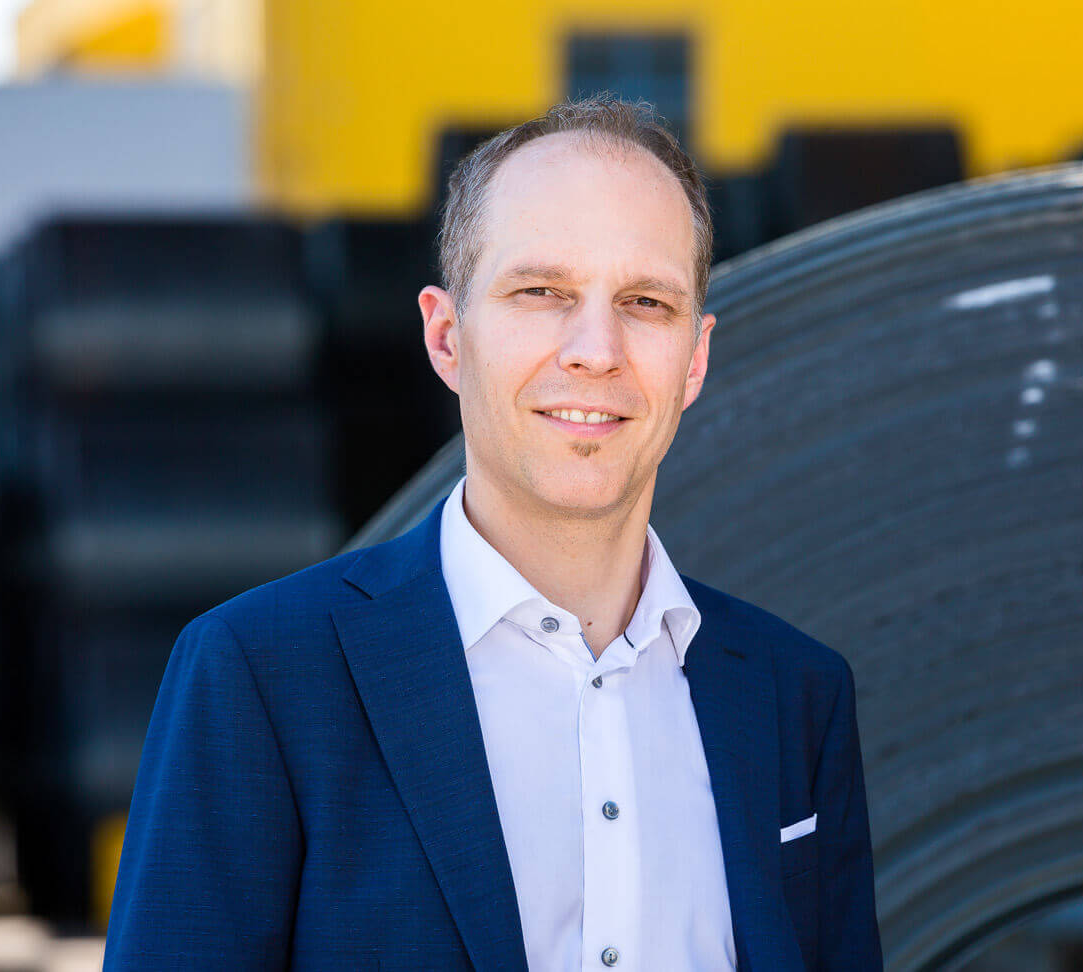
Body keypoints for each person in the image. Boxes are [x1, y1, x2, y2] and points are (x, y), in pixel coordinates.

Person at [103, 96, 882, 971]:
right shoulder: (259, 676)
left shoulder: (794, 695)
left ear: (694, 359)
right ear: (446, 337)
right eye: (541, 292)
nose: (596, 349)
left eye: (646, 301)